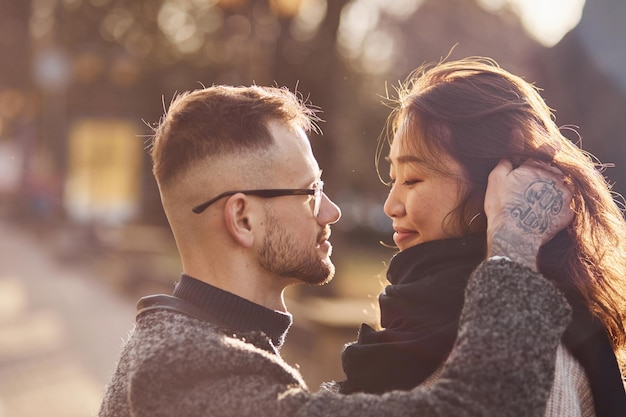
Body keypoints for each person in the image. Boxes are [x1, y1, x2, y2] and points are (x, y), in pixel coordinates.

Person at [98, 84, 573, 417]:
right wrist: (512, 248)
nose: (331, 212)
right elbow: (474, 410)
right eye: (309, 192)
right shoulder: (184, 370)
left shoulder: (193, 344)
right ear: (243, 218)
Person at [338, 57, 626, 416]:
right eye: (392, 178)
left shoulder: (538, 354)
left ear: (497, 183)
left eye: (412, 179)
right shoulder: (415, 325)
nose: (390, 205)